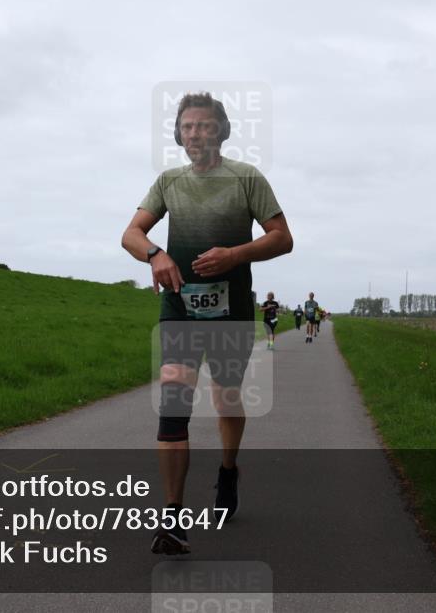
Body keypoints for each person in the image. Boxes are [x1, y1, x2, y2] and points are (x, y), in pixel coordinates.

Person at [122, 92, 293, 555]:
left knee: (226, 397)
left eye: (204, 125)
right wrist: (155, 255)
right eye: (187, 126)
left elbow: (282, 238)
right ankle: (173, 517)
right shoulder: (168, 181)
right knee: (173, 403)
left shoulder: (246, 178)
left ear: (221, 130)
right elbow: (131, 234)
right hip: (179, 309)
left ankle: (228, 470)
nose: (195, 133)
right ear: (179, 134)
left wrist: (235, 254)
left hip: (231, 309)